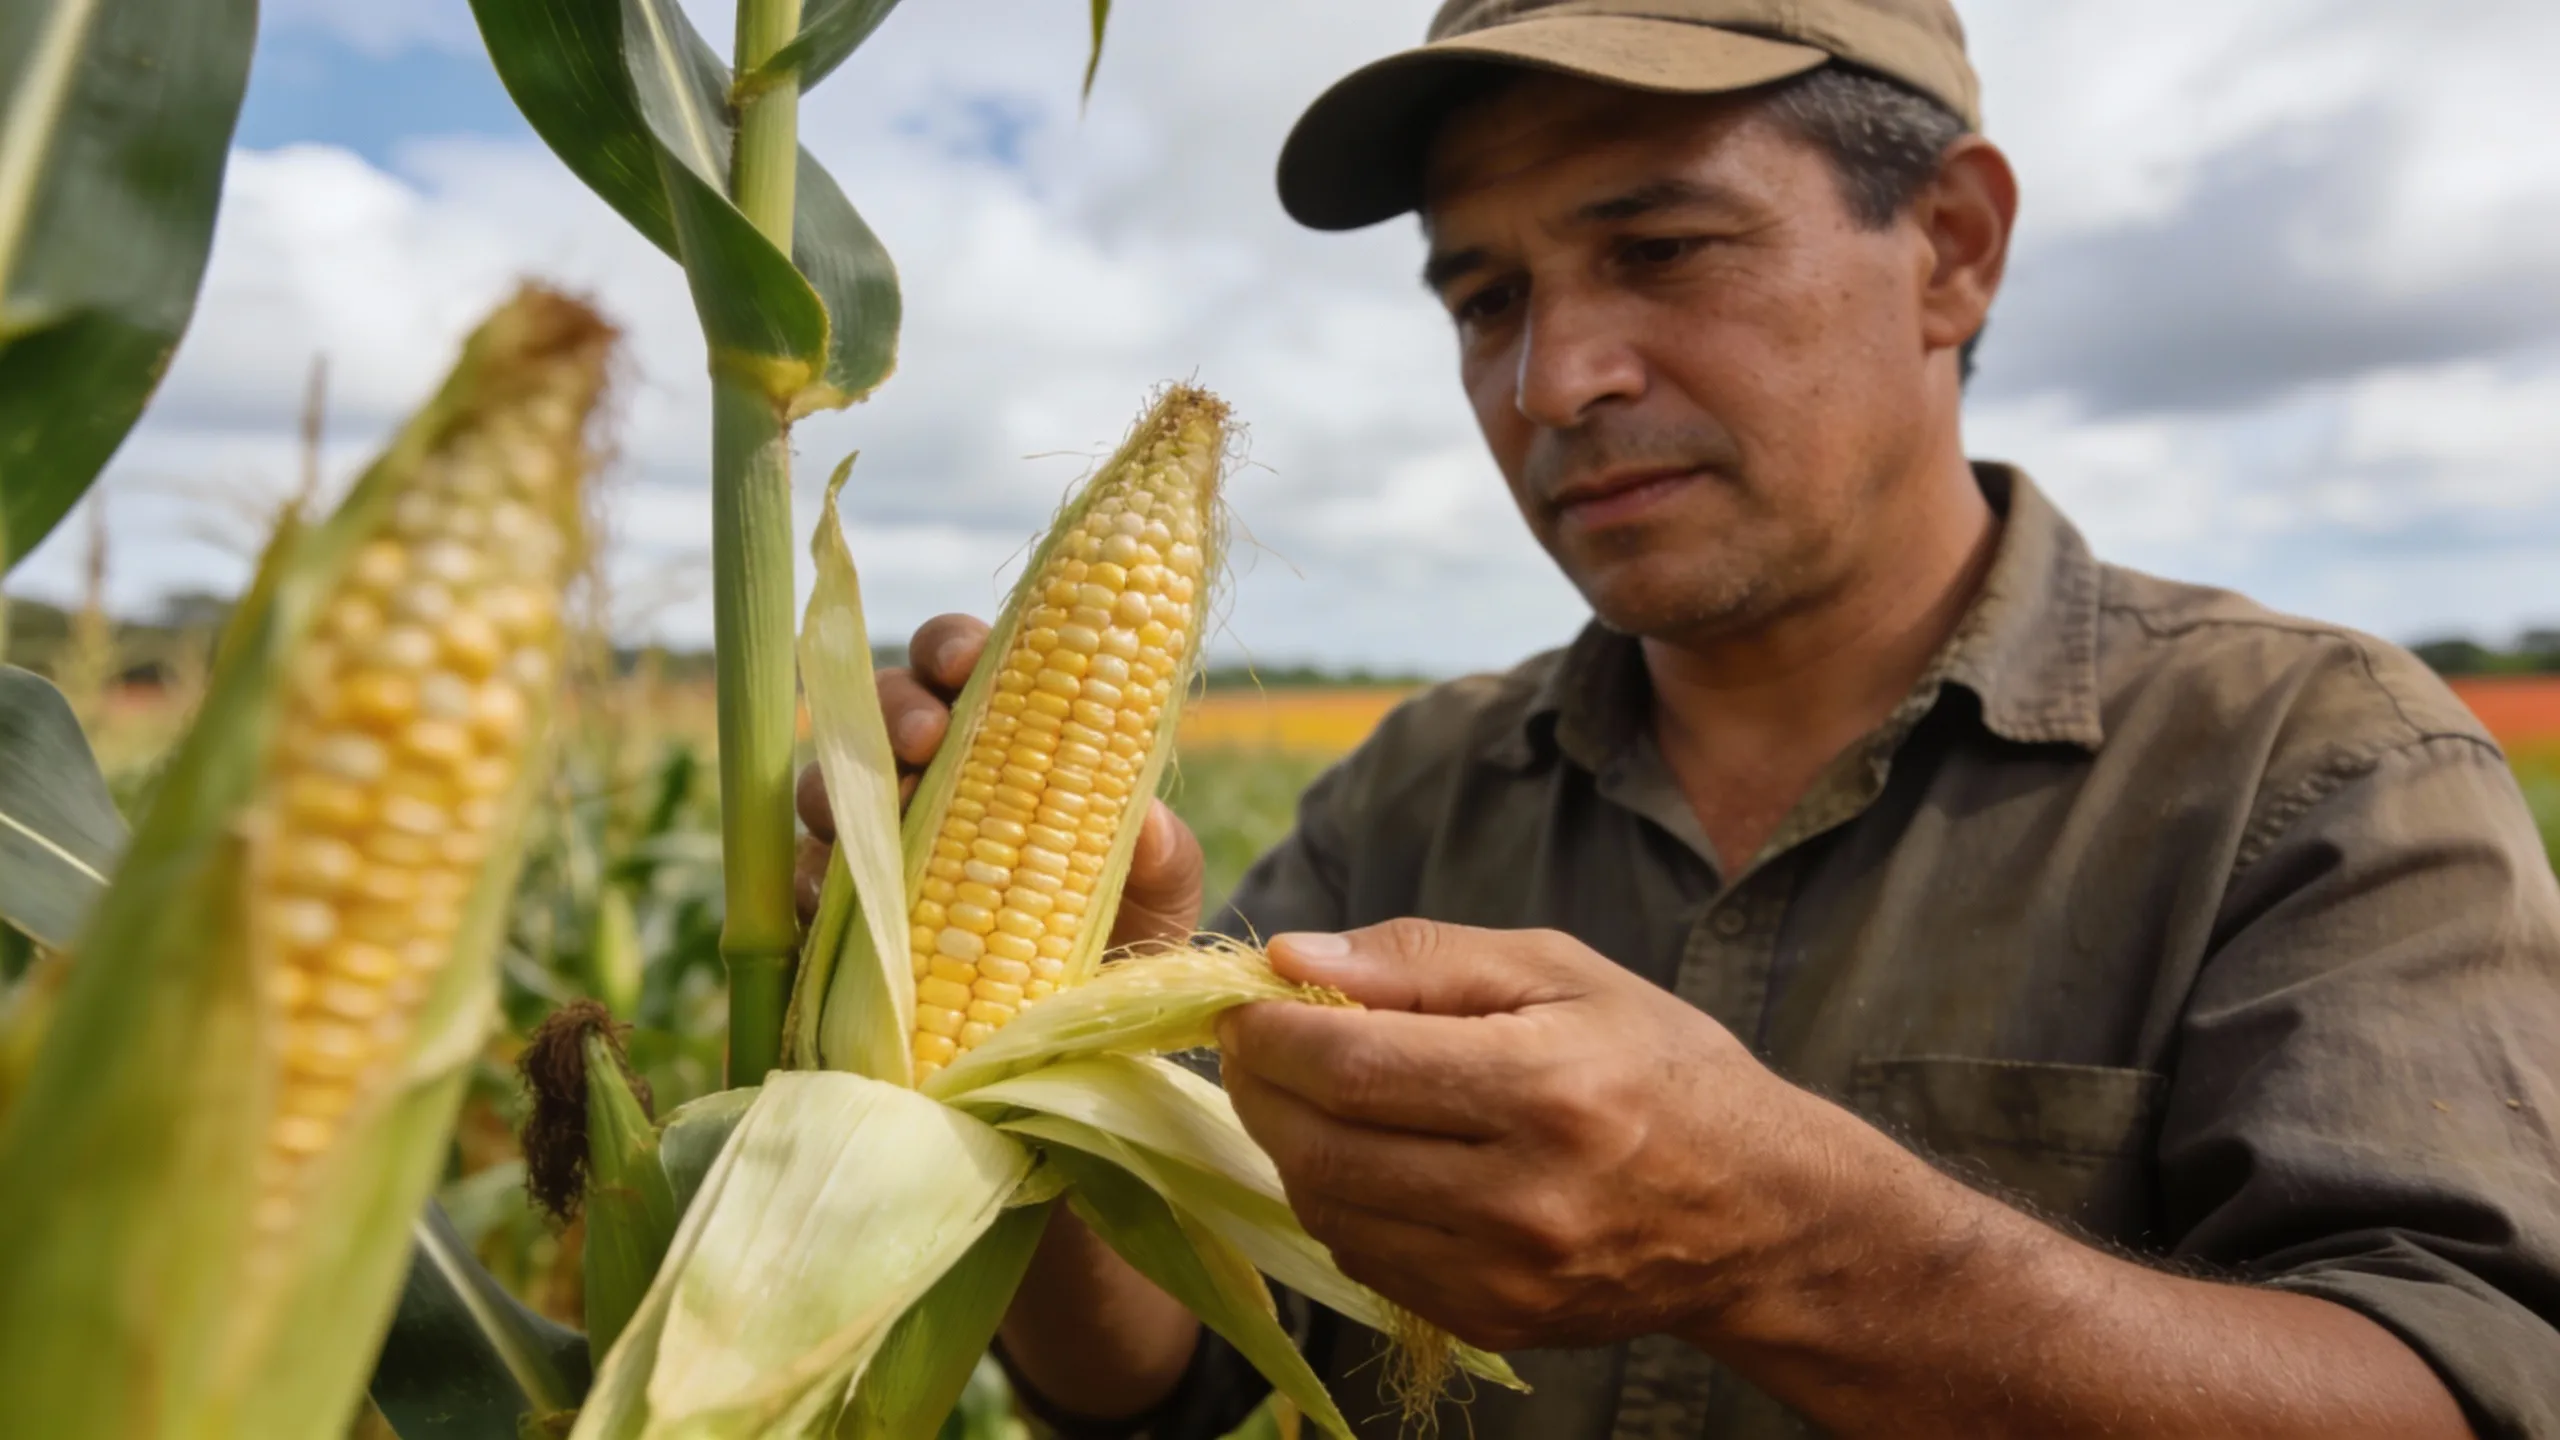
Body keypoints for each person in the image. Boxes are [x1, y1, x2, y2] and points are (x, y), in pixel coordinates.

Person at [797, 1, 2560, 1433]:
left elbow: (2472, 1389)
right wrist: (1029, 1059)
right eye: (1486, 300)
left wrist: (1791, 1248)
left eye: (1661, 248)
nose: (1554, 380)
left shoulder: (2319, 766)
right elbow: (1149, 1382)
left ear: (1952, 249)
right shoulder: (1414, 791)